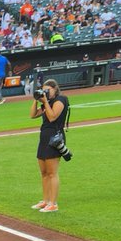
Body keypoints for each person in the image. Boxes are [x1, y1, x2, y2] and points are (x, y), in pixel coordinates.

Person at [30, 78, 70, 213]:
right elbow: (32, 115)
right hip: (44, 137)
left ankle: (53, 203)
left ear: (55, 89)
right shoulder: (47, 102)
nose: (46, 92)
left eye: (48, 90)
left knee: (52, 173)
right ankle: (45, 201)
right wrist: (36, 99)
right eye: (44, 90)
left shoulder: (61, 100)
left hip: (55, 138)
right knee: (44, 173)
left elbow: (52, 117)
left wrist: (45, 101)